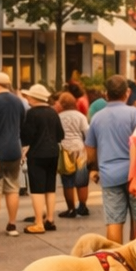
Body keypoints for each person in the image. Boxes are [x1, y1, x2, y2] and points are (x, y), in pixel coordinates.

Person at [85, 75, 136, 244]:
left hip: (109, 175)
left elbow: (90, 149)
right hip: (134, 174)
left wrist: (93, 168)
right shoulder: (133, 114)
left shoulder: (97, 118)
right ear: (127, 92)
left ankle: (116, 262)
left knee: (114, 220)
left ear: (106, 94)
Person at [0, 72, 27, 238]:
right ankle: (12, 224)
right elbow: (22, 123)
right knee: (12, 188)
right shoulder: (18, 101)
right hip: (14, 149)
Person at [19, 84, 62, 233]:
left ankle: (38, 222)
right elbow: (60, 134)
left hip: (37, 153)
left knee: (37, 189)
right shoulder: (53, 112)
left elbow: (27, 135)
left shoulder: (32, 113)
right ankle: (50, 219)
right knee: (50, 187)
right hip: (53, 152)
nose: (27, 98)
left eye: (29, 96)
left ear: (34, 98)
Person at [55, 89, 92, 218]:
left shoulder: (58, 117)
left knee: (67, 182)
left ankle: (71, 209)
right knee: (82, 181)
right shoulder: (80, 116)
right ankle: (83, 206)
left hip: (65, 150)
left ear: (62, 104)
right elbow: (87, 133)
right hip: (80, 150)